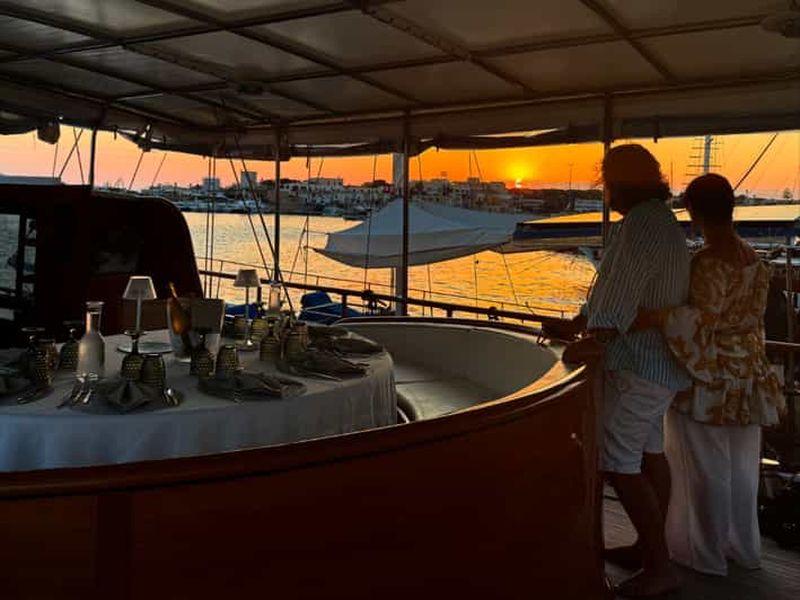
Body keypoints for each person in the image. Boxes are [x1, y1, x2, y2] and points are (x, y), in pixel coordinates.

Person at [636, 173, 785, 576]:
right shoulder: (755, 258)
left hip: (712, 376)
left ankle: (704, 552)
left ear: (694, 211)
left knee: (704, 467)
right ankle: (741, 548)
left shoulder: (705, 262)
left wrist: (655, 316)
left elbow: (700, 322)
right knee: (740, 468)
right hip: (749, 373)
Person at [564, 144, 690, 597]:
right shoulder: (658, 221)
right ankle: (648, 549)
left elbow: (619, 297)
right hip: (657, 366)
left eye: (608, 185)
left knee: (617, 460)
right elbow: (617, 294)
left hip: (639, 365)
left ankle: (660, 566)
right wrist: (585, 319)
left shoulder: (642, 227)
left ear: (623, 183)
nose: (605, 195)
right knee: (649, 453)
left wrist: (590, 340)